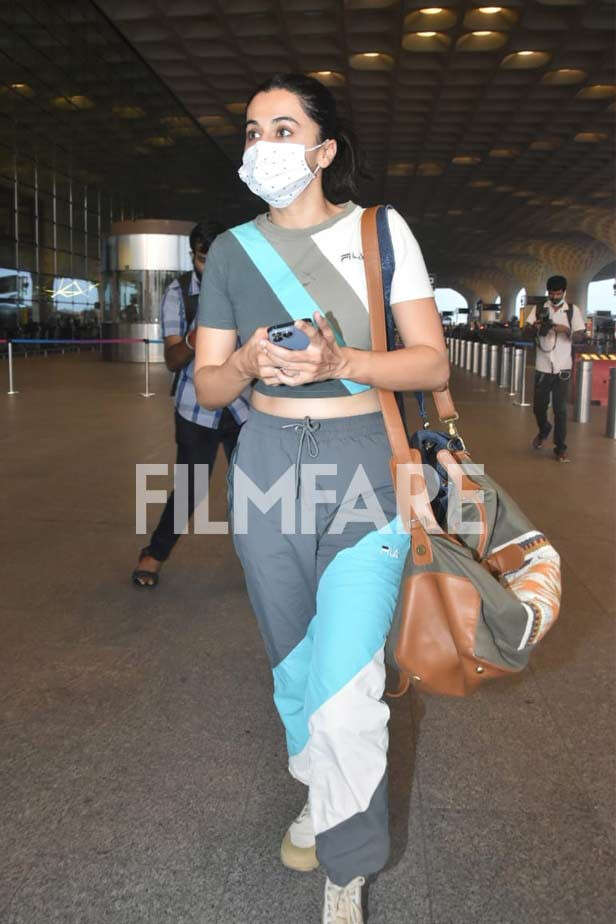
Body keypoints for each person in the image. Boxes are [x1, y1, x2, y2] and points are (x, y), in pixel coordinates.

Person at [194, 74, 448, 923]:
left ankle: (349, 865)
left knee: (348, 684)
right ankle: (321, 793)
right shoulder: (231, 250)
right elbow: (206, 381)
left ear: (323, 149)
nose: (263, 143)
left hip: (364, 463)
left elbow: (431, 364)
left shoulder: (380, 233)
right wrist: (248, 366)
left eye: (283, 127)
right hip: (265, 463)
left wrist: (343, 364)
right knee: (296, 666)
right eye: (252, 127)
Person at [131, 220, 250, 588]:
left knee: (253, 487)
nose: (210, 268)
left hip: (242, 405)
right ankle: (153, 554)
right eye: (203, 260)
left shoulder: (244, 288)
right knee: (191, 488)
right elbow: (172, 359)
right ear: (193, 256)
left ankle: (265, 564)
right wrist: (196, 336)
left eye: (217, 259)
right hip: (195, 408)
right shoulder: (178, 292)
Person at [525, 275, 585, 463]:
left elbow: (581, 337)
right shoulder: (539, 309)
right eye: (551, 293)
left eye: (558, 293)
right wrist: (535, 328)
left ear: (564, 292)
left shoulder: (572, 311)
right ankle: (544, 429)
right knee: (539, 408)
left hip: (563, 369)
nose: (554, 297)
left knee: (560, 410)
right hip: (543, 366)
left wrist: (566, 330)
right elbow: (525, 332)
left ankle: (560, 448)